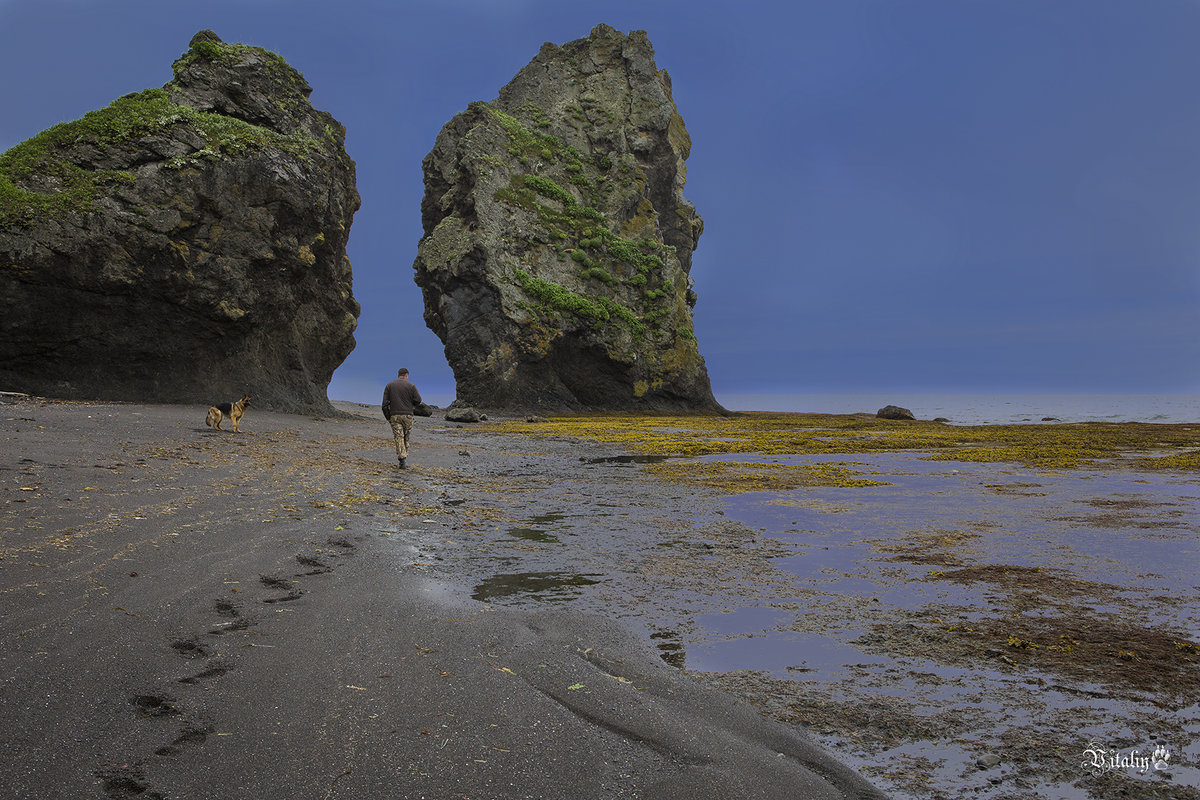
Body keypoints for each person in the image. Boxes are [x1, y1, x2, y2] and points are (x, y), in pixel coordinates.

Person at [382, 368, 422, 468]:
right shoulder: (411, 386)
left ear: (398, 375)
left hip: (394, 415)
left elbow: (384, 405)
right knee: (406, 437)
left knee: (398, 437)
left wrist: (388, 416)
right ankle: (404, 457)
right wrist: (410, 404)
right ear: (407, 375)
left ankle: (402, 459)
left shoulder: (389, 385)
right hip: (408, 415)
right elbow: (418, 400)